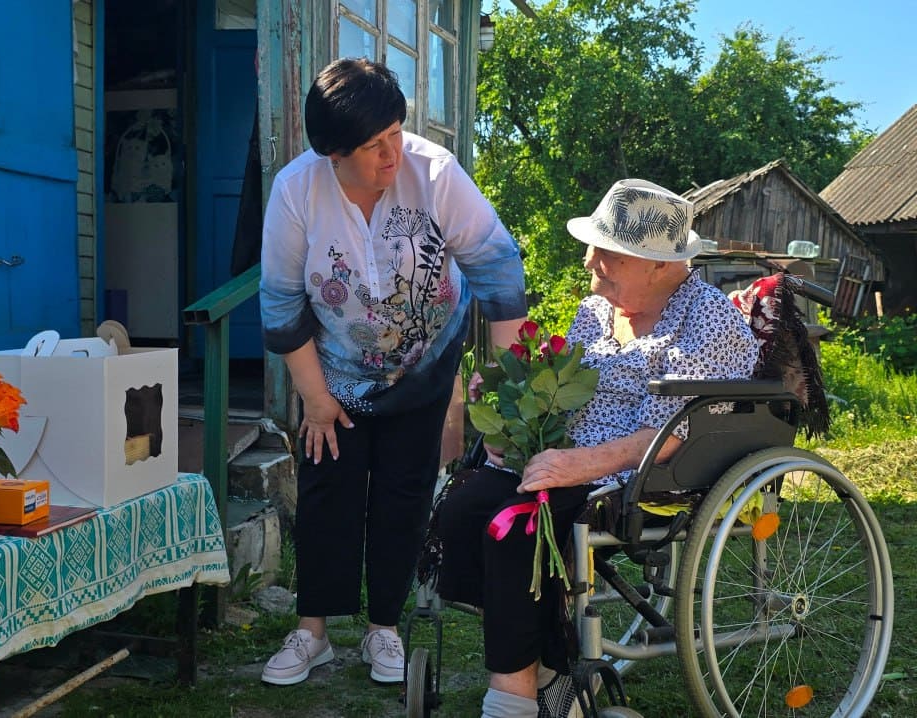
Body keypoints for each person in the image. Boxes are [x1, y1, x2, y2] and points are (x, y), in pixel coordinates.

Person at [434, 179, 761, 718]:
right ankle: (546, 665)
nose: (590, 262)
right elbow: (559, 392)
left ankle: (512, 697)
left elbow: (672, 433)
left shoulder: (709, 319)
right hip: (564, 456)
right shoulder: (594, 312)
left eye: (607, 253)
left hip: (641, 473)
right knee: (463, 509)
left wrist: (577, 464)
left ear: (659, 264)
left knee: (518, 527)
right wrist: (511, 417)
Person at [258, 57, 528, 687]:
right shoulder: (297, 191)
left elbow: (498, 270)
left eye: (395, 133)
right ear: (332, 152)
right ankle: (313, 630)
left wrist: (508, 376)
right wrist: (316, 400)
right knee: (329, 490)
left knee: (405, 495)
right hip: (335, 373)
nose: (391, 154)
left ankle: (384, 630)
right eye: (373, 144)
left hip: (425, 362)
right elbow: (280, 305)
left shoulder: (433, 172)